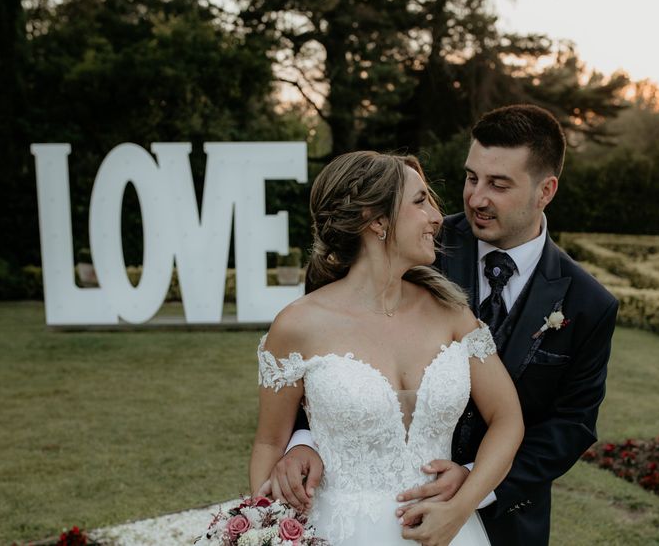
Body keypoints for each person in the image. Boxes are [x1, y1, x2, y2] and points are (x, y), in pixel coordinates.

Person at [263, 105, 619, 545]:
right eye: (472, 178)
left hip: (504, 518)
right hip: (347, 514)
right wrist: (303, 443)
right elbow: (322, 363)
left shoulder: (588, 304)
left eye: (498, 184)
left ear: (545, 191)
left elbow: (571, 425)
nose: (474, 198)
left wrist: (470, 489)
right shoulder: (414, 244)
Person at [250, 151, 524, 546]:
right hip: (338, 532)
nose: (436, 217)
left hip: (449, 531)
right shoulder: (297, 325)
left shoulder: (452, 313)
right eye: (419, 201)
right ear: (375, 220)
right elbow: (269, 443)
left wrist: (461, 507)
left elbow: (507, 418)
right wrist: (267, 531)